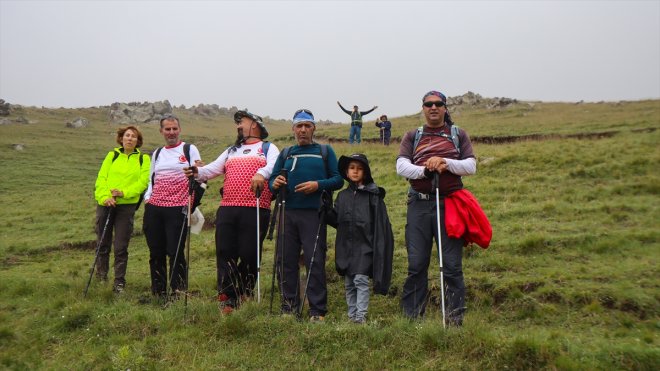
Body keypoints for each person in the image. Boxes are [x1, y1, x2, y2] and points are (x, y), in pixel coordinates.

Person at [184, 110, 279, 314]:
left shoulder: (268, 148)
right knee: (224, 251)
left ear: (255, 124)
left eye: (241, 122)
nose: (237, 126)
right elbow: (212, 170)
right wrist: (197, 172)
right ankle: (228, 296)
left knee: (249, 252)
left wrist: (261, 173)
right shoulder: (231, 150)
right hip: (228, 206)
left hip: (255, 207)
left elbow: (275, 166)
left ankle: (245, 291)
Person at [396, 90, 477, 326]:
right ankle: (412, 319)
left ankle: (454, 320)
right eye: (428, 104)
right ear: (423, 108)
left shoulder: (457, 134)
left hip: (449, 203)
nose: (433, 107)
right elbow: (401, 166)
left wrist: (445, 163)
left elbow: (471, 166)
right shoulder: (413, 135)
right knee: (416, 263)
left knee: (451, 264)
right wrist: (426, 169)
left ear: (445, 108)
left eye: (438, 104)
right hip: (419, 203)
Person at [268, 109, 344, 322]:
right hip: (286, 213)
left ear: (313, 128)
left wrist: (317, 185)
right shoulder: (286, 153)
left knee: (315, 260)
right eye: (299, 126)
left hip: (314, 214)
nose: (303, 130)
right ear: (293, 129)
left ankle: (317, 310)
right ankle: (288, 308)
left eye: (307, 126)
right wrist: (274, 183)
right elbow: (272, 180)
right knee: (285, 261)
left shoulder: (324, 151)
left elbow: (338, 179)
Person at [327, 153, 394, 324]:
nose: (355, 171)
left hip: (366, 246)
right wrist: (325, 208)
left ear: (365, 172)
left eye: (359, 168)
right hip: (345, 246)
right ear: (346, 171)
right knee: (349, 283)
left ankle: (360, 317)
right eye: (352, 168)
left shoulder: (373, 196)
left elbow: (380, 224)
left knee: (360, 280)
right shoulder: (342, 196)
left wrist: (376, 246)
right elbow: (336, 220)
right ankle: (352, 316)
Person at [143, 114, 203, 299]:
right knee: (156, 251)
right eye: (167, 129)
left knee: (175, 251)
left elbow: (201, 177)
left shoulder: (189, 149)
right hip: (154, 208)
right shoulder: (157, 153)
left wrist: (191, 204)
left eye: (174, 128)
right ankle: (158, 292)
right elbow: (151, 179)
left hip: (178, 208)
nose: (171, 132)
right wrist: (148, 198)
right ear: (161, 131)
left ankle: (178, 291)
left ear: (179, 129)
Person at [94, 126, 150, 293]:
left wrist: (123, 193)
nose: (130, 138)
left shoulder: (143, 159)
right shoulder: (112, 155)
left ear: (138, 141)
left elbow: (143, 182)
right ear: (121, 138)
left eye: (134, 136)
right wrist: (105, 197)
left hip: (126, 207)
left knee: (120, 246)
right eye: (127, 135)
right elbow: (101, 178)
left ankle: (119, 283)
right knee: (102, 243)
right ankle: (101, 278)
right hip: (106, 204)